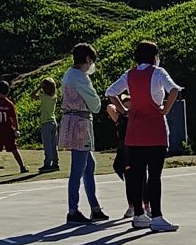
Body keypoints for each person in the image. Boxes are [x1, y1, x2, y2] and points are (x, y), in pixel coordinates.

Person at [105, 41, 182, 231]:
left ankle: (139, 214)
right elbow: (174, 89)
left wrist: (124, 110)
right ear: (154, 56)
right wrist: (164, 109)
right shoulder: (158, 72)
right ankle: (156, 216)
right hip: (155, 130)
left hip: (134, 132)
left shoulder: (129, 75)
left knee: (136, 175)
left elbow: (110, 92)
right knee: (154, 175)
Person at [58, 45, 103, 225]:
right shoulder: (80, 77)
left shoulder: (69, 74)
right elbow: (95, 103)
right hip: (80, 123)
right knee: (78, 168)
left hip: (73, 120)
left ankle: (95, 207)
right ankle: (73, 210)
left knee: (88, 165)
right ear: (87, 60)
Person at [34, 76, 61, 172]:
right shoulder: (54, 97)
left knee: (47, 144)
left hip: (46, 123)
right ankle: (55, 162)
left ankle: (47, 162)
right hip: (53, 122)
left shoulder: (44, 97)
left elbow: (32, 95)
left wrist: (38, 87)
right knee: (54, 144)